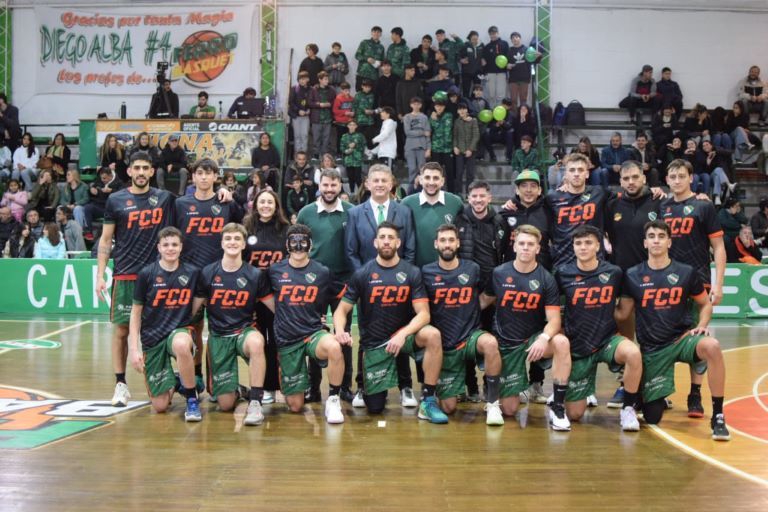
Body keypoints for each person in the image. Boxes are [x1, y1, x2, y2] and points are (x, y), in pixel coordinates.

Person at [616, 220, 730, 441]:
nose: (656, 240)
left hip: (681, 340)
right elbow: (622, 314)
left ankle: (718, 415)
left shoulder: (686, 272)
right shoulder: (632, 275)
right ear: (645, 243)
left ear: (669, 242)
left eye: (661, 236)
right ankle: (647, 394)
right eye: (651, 236)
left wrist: (701, 326)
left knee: (712, 347)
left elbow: (705, 304)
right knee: (652, 416)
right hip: (652, 349)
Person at [333, 221, 449, 423]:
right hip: (376, 343)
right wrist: (340, 329)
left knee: (433, 335)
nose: (386, 242)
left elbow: (424, 314)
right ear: (375, 242)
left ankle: (428, 400)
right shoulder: (362, 274)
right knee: (375, 408)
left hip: (407, 337)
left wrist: (403, 334)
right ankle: (374, 386)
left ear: (398, 243)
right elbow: (341, 309)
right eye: (382, 237)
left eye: (391, 238)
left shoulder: (412, 272)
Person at [95, 151, 175, 407]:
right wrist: (100, 274)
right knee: (121, 331)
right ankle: (121, 384)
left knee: (161, 332)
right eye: (136, 168)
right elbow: (106, 240)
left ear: (152, 172)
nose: (141, 172)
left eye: (146, 168)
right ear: (128, 171)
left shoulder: (165, 199)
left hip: (157, 276)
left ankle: (163, 379)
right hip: (125, 275)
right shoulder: (116, 200)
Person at [479, 225, 572, 429]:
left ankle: (557, 407)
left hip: (533, 341)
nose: (526, 248)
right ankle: (514, 388)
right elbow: (484, 301)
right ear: (514, 246)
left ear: (538, 249)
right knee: (510, 410)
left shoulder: (546, 278)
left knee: (561, 342)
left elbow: (554, 319)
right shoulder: (499, 273)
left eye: (531, 244)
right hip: (507, 342)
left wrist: (543, 338)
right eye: (521, 243)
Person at [555, 225, 642, 431]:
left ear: (598, 246)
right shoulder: (562, 274)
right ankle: (564, 395)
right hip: (578, 345)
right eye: (578, 243)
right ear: (573, 247)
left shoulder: (614, 273)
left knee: (633, 353)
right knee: (575, 414)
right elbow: (554, 310)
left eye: (588, 243)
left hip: (607, 339)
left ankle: (629, 408)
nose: (583, 247)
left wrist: (608, 316)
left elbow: (624, 310)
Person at [345, 164, 417, 405]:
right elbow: (351, 250)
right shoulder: (356, 213)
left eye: (384, 180)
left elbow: (410, 248)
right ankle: (362, 385)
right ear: (367, 184)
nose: (379, 184)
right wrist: (365, 281)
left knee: (400, 333)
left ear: (391, 183)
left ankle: (406, 385)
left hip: (399, 284)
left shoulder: (404, 211)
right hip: (368, 287)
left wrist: (402, 278)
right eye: (374, 180)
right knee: (366, 335)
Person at [661, 158, 726, 418]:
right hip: (665, 282)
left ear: (691, 178)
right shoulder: (661, 206)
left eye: (681, 176)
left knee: (696, 337)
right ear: (666, 180)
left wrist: (719, 285)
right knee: (663, 336)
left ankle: (695, 394)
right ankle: (661, 390)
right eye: (672, 176)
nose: (676, 180)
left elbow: (719, 248)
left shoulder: (703, 206)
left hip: (698, 281)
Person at [192, 223, 274, 425]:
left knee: (256, 342)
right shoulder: (208, 273)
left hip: (244, 331)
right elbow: (192, 309)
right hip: (219, 336)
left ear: (244, 244)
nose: (232, 242)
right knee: (226, 405)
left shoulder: (255, 275)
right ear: (221, 243)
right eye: (228, 238)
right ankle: (237, 390)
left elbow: (276, 307)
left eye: (237, 239)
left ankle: (255, 401)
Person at [422, 224, 504, 424]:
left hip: (470, 337)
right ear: (436, 244)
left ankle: (493, 404)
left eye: (451, 240)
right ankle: (431, 399)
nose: (447, 245)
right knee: (448, 408)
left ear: (458, 243)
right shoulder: (426, 272)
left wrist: (473, 308)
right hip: (445, 344)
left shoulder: (472, 268)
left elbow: (489, 293)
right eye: (443, 240)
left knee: (491, 343)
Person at [267, 223, 346, 423]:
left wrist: (337, 327)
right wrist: (287, 313)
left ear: (310, 245)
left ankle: (334, 399)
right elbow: (264, 298)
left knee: (334, 347)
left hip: (312, 334)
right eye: (294, 241)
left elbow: (341, 300)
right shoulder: (274, 271)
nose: (299, 246)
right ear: (287, 244)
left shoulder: (322, 272)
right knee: (295, 406)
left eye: (303, 241)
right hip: (287, 338)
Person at [174, 158, 242, 392]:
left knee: (219, 330)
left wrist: (230, 194)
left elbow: (240, 232)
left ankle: (219, 380)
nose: (203, 177)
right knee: (193, 329)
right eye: (199, 173)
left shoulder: (227, 203)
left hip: (220, 276)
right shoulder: (180, 204)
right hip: (189, 277)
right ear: (193, 177)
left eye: (208, 173)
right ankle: (197, 375)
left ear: (216, 177)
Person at [128, 227, 201, 421]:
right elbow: (135, 313)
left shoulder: (192, 273)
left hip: (179, 332)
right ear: (158, 247)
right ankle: (178, 380)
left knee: (180, 344)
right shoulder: (146, 274)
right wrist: (133, 349)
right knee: (160, 406)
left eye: (174, 245)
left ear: (181, 247)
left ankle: (192, 399)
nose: (170, 248)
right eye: (166, 245)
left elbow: (199, 304)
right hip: (152, 338)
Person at [297, 169, 356, 402]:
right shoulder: (306, 213)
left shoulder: (352, 212)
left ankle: (344, 387)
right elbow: (296, 247)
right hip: (314, 284)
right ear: (319, 186)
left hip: (344, 282)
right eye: (326, 185)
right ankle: (313, 387)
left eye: (334, 185)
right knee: (315, 334)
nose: (330, 189)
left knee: (344, 335)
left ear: (340, 186)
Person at [244, 189, 289, 404]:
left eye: (270, 202)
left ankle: (277, 385)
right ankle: (260, 387)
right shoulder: (247, 228)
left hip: (278, 295)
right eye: (262, 202)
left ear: (276, 205)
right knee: (257, 343)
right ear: (255, 204)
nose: (266, 206)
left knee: (277, 341)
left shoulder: (285, 229)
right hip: (253, 296)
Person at [401, 162, 464, 268]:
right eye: (427, 177)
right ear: (420, 180)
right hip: (416, 269)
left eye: (435, 178)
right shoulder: (407, 203)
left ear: (442, 181)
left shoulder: (455, 202)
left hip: (447, 269)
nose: (431, 182)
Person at [83, 167, 121, 239]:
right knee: (87, 207)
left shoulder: (118, 183)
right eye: (101, 178)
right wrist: (91, 190)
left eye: (104, 178)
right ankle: (89, 232)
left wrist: (111, 191)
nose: (102, 180)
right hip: (98, 206)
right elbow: (92, 189)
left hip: (111, 209)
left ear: (110, 176)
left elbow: (122, 194)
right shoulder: (99, 180)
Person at [403, 97, 430, 191]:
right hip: (410, 146)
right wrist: (422, 133)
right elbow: (407, 132)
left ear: (421, 105)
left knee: (422, 169)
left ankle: (423, 189)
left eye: (418, 104)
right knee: (412, 168)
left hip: (422, 146)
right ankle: (411, 190)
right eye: (414, 104)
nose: (416, 106)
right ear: (411, 105)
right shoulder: (407, 117)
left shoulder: (424, 117)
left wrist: (428, 148)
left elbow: (428, 133)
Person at [428, 99, 455, 191]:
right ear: (434, 107)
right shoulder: (431, 117)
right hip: (436, 148)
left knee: (450, 172)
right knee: (436, 172)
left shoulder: (448, 116)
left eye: (441, 106)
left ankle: (452, 192)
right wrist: (432, 119)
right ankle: (436, 191)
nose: (439, 108)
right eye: (437, 106)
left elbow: (446, 130)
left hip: (447, 148)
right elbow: (431, 130)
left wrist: (435, 120)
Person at [452, 103, 479, 195]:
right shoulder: (457, 121)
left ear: (467, 110)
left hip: (471, 151)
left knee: (470, 174)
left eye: (464, 109)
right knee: (458, 173)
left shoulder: (473, 120)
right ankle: (458, 192)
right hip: (459, 151)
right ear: (458, 111)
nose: (462, 111)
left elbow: (476, 136)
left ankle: (469, 193)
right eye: (460, 109)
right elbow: (455, 136)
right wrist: (455, 146)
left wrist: (470, 149)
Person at [481, 26, 509, 108]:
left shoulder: (504, 44)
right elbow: (483, 61)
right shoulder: (487, 47)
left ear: (498, 33)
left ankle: (499, 115)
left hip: (502, 73)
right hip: (490, 74)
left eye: (494, 33)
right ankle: (492, 114)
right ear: (489, 35)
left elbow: (508, 57)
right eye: (491, 34)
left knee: (501, 95)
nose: (493, 35)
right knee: (491, 95)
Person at [309, 71, 336, 157]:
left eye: (327, 79)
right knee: (316, 138)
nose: (327, 81)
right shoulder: (313, 90)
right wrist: (319, 104)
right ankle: (316, 155)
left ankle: (325, 156)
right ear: (320, 80)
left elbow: (334, 101)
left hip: (328, 118)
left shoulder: (331, 90)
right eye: (325, 79)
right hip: (316, 118)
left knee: (326, 138)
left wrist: (330, 104)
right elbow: (309, 102)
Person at [481, 97, 515, 162]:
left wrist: (503, 123)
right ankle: (492, 156)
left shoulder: (510, 114)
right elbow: (489, 127)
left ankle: (508, 156)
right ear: (501, 104)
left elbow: (510, 126)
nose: (505, 106)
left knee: (510, 132)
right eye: (504, 104)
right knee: (485, 134)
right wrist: (496, 126)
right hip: (494, 135)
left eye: (507, 105)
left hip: (504, 136)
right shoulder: (494, 112)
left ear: (509, 107)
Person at [506, 32, 532, 109]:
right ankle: (514, 118)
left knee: (523, 100)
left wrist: (538, 56)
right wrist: (507, 66)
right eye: (513, 38)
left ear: (520, 38)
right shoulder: (509, 50)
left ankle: (523, 118)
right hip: (513, 79)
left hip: (524, 78)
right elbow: (505, 63)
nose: (515, 39)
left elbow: (533, 61)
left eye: (516, 37)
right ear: (511, 40)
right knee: (513, 100)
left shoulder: (527, 49)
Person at [354, 26, 385, 91]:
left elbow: (383, 61)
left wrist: (380, 64)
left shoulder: (381, 47)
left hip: (374, 76)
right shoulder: (364, 43)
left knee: (373, 96)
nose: (376, 33)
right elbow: (357, 55)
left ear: (380, 34)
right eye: (374, 32)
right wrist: (367, 59)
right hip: (362, 74)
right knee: (360, 93)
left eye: (378, 32)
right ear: (371, 33)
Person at [339, 119, 366, 194]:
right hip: (348, 160)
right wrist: (346, 151)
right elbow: (341, 147)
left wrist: (355, 146)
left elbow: (364, 147)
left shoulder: (360, 136)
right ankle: (352, 193)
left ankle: (361, 194)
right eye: (350, 125)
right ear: (347, 126)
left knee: (358, 178)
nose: (352, 126)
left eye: (353, 125)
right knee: (350, 178)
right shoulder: (344, 136)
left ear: (356, 126)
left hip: (357, 160)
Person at [288, 72, 312, 154]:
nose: (302, 81)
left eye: (304, 79)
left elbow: (311, 102)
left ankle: (304, 153)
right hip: (296, 116)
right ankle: (297, 154)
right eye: (300, 79)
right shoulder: (294, 88)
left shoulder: (310, 89)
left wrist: (309, 109)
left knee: (304, 135)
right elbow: (290, 102)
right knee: (297, 136)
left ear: (307, 79)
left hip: (306, 116)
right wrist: (298, 110)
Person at [459, 31, 484, 99]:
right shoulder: (465, 46)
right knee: (466, 91)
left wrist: (484, 60)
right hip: (466, 72)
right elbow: (458, 56)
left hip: (478, 72)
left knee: (477, 91)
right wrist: (461, 60)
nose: (475, 41)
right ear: (470, 39)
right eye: (473, 39)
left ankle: (475, 106)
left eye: (476, 39)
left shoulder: (481, 46)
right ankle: (466, 107)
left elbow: (484, 56)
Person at [332, 82, 355, 153]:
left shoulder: (352, 99)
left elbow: (354, 108)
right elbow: (335, 110)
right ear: (341, 90)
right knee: (340, 138)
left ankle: (347, 152)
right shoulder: (338, 99)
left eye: (348, 90)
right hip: (340, 122)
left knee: (349, 138)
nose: (347, 92)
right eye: (345, 90)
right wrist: (345, 113)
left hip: (349, 122)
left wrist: (353, 113)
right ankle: (339, 153)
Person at [352, 79, 376, 146]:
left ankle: (369, 153)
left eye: (369, 87)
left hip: (369, 121)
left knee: (369, 138)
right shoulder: (358, 95)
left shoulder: (372, 95)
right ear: (362, 86)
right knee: (359, 139)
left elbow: (374, 106)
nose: (367, 88)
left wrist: (372, 112)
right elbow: (354, 106)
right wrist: (354, 119)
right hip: (360, 121)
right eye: (365, 87)